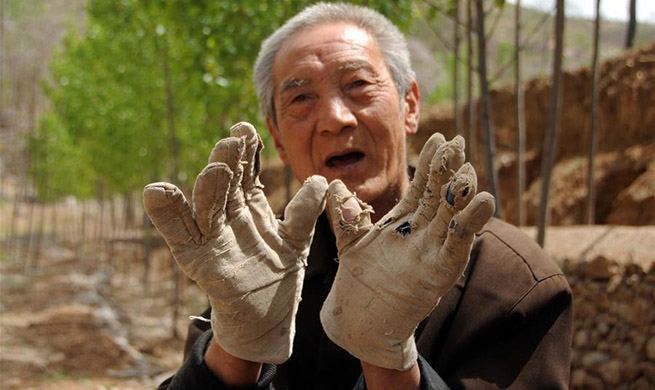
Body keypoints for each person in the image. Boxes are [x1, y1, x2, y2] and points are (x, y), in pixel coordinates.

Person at [145, 3, 572, 390]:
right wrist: (236, 348)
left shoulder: (510, 282)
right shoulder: (256, 263)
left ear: (410, 104)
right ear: (276, 137)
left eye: (358, 84)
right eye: (300, 98)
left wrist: (391, 360)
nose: (334, 118)